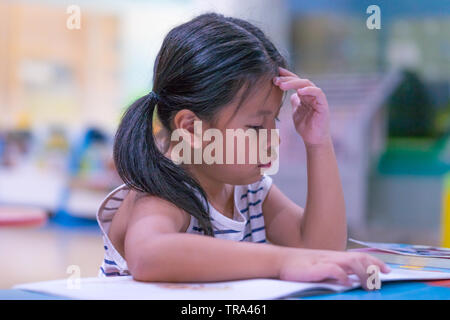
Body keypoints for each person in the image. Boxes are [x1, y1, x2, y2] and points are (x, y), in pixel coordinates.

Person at [96, 12, 389, 289]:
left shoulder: (249, 192)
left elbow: (320, 251)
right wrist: (283, 261)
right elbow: (149, 255)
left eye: (274, 120)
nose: (273, 140)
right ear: (191, 129)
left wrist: (318, 142)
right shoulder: (161, 188)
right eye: (256, 128)